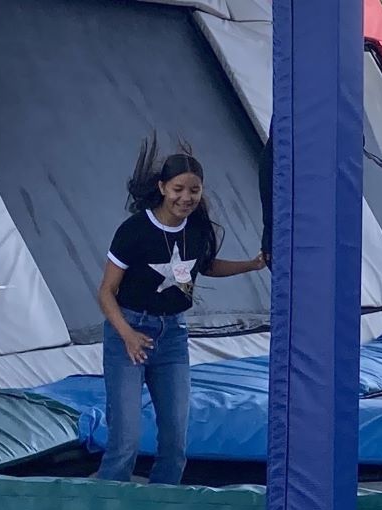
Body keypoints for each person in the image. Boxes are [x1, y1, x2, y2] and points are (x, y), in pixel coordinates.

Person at [95, 140, 267, 485]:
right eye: (178, 190)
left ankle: (163, 501)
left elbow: (204, 266)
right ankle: (108, 502)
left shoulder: (197, 229)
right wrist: (127, 335)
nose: (185, 198)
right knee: (126, 439)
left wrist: (252, 264)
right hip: (130, 330)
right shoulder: (135, 231)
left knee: (175, 440)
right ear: (162, 188)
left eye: (194, 190)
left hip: (172, 335)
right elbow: (106, 292)